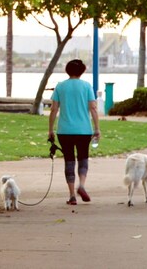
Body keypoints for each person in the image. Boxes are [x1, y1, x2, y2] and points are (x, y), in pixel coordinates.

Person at [48, 59, 101, 205]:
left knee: (69, 160)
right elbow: (93, 108)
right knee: (83, 158)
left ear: (67, 70)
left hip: (64, 130)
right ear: (82, 71)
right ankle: (82, 185)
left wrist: (50, 129)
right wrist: (97, 128)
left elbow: (54, 109)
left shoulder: (60, 86)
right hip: (84, 130)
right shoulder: (86, 86)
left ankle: (72, 195)